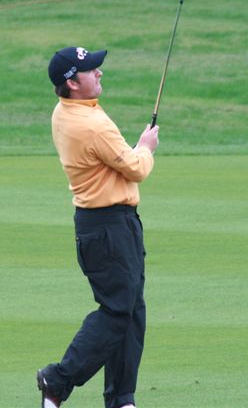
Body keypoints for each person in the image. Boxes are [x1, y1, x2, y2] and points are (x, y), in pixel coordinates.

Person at [37, 46, 159, 408]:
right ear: (72, 83)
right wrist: (147, 146)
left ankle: (122, 398)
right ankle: (57, 381)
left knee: (132, 309)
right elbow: (136, 168)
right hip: (109, 228)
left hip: (106, 224)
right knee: (118, 310)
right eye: (91, 70)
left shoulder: (66, 111)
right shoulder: (91, 123)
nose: (99, 73)